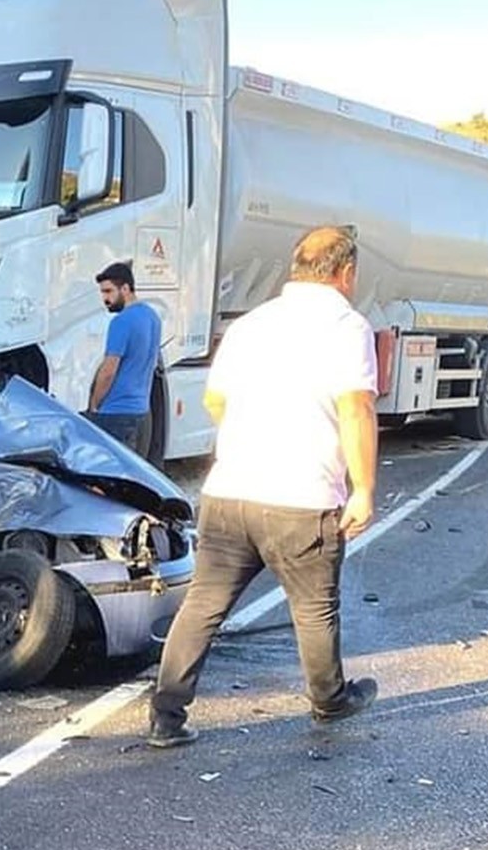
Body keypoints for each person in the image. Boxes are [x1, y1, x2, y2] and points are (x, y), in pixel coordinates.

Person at [148, 225, 379, 749]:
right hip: (303, 498)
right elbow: (356, 408)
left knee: (203, 603)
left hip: (230, 492)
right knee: (314, 607)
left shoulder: (251, 324)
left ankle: (166, 716)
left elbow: (216, 402)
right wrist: (363, 487)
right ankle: (328, 701)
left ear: (296, 267)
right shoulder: (347, 325)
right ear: (346, 273)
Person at [85, 262, 160, 458]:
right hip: (142, 412)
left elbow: (109, 370)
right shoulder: (152, 317)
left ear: (125, 288)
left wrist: (94, 404)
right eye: (102, 292)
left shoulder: (121, 322)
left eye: (109, 291)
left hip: (116, 414)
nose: (105, 298)